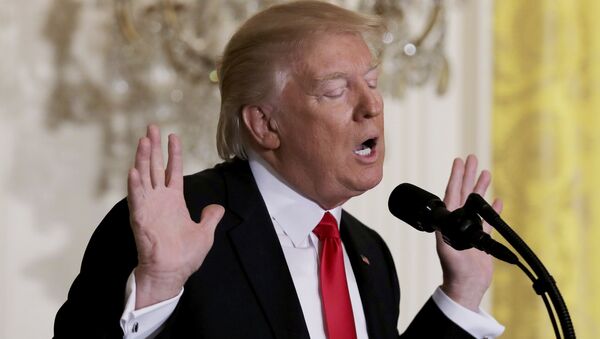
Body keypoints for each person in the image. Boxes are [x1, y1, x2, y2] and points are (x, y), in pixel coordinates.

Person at [54, 1, 505, 338]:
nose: (372, 105)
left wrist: (460, 294)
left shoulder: (370, 253)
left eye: (371, 82)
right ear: (265, 124)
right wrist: (157, 288)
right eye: (336, 90)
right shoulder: (173, 227)